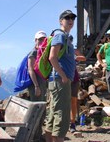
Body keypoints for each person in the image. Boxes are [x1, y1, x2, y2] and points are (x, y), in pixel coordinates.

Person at [44, 10, 77, 142]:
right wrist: (63, 76)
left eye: (72, 18)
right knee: (62, 115)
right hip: (60, 79)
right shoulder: (60, 36)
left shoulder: (66, 37)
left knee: (54, 113)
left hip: (59, 79)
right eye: (67, 18)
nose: (70, 20)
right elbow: (52, 57)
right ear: (60, 21)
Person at [28, 30, 48, 101]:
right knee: (37, 106)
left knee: (42, 105)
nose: (42, 41)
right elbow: (31, 70)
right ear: (35, 40)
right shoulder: (33, 52)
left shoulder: (43, 52)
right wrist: (36, 86)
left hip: (42, 83)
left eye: (44, 39)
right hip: (36, 84)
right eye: (40, 39)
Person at [70, 49, 86, 133]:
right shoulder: (58, 48)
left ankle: (72, 122)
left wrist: (75, 57)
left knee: (73, 100)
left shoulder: (73, 50)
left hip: (74, 77)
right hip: (62, 78)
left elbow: (83, 58)